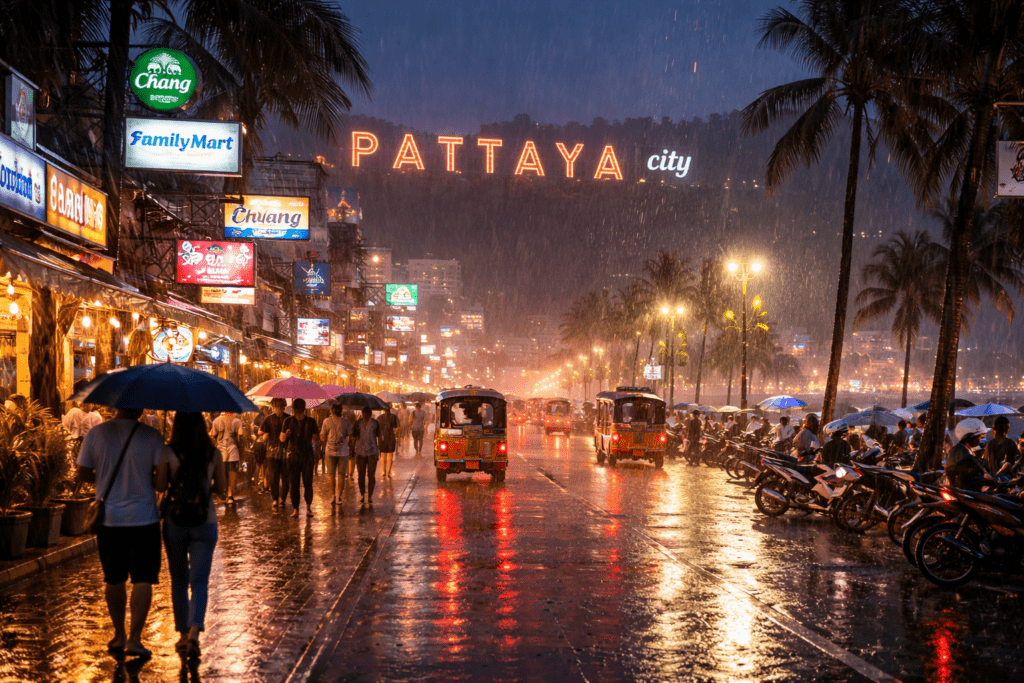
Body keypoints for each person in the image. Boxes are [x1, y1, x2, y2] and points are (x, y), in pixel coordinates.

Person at [76, 407, 172, 658]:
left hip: (110, 518)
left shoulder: (96, 434)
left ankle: (119, 634)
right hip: (145, 519)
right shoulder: (152, 436)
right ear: (140, 409)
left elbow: (82, 472)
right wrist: (146, 477)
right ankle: (135, 640)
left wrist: (104, 477)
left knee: (114, 577)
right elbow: (161, 483)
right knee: (143, 578)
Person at [163, 412, 226, 659]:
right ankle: (194, 633)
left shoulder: (169, 452)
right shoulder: (214, 454)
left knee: (179, 579)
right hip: (205, 520)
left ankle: (180, 634)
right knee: (199, 580)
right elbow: (221, 489)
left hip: (175, 520)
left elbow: (159, 486)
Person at [282, 398, 319, 518]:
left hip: (307, 456)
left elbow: (316, 437)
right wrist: (286, 435)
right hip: (293, 456)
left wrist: (313, 436)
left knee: (307, 483)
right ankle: (296, 509)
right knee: (295, 484)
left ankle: (307, 508)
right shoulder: (288, 421)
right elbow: (282, 438)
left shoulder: (311, 421)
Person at [946, 418, 993, 491]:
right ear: (970, 437)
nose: (980, 439)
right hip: (961, 489)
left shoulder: (966, 449)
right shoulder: (960, 451)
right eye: (978, 437)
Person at [258, 398, 289, 510]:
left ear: (284, 407)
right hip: (271, 453)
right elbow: (260, 431)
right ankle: (275, 499)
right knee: (274, 477)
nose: (279, 409)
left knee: (286, 478)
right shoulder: (268, 419)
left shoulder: (288, 419)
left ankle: (283, 499)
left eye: (282, 407)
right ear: (273, 407)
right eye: (277, 407)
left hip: (286, 453)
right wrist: (264, 434)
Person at [320, 403, 352, 505]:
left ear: (332, 411)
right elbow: (350, 436)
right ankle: (339, 496)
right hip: (343, 452)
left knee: (331, 475)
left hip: (329, 451)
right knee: (341, 475)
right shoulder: (346, 421)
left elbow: (322, 437)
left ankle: (333, 496)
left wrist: (327, 441)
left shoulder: (326, 421)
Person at [210, 411, 242, 504]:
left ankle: (223, 492)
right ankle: (230, 495)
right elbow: (240, 435)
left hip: (221, 451)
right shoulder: (237, 421)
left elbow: (213, 435)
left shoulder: (216, 421)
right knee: (233, 472)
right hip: (233, 450)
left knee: (223, 473)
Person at [353, 406, 381, 504]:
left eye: (367, 414)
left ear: (370, 414)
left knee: (371, 475)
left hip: (372, 452)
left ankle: (369, 496)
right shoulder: (357, 423)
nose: (365, 416)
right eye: (364, 414)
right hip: (360, 452)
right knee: (361, 475)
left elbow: (379, 436)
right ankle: (362, 494)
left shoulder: (375, 423)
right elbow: (354, 436)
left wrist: (379, 451)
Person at [377, 405, 399, 478]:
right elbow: (397, 428)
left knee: (383, 455)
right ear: (390, 408)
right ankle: (388, 472)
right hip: (391, 438)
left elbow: (377, 429)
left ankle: (383, 471)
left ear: (383, 409)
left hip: (382, 438)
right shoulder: (394, 417)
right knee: (390, 455)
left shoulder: (379, 418)